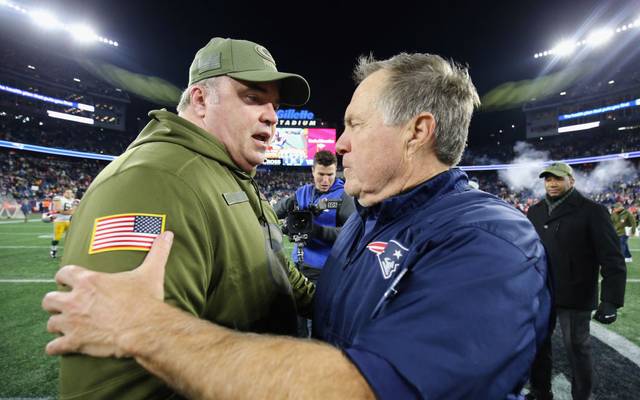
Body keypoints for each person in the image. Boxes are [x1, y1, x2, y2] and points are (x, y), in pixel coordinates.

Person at [44, 52, 552, 399]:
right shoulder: (371, 214)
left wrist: (146, 329)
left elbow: (365, 388)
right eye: (253, 97)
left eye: (354, 124)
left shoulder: (489, 240)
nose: (339, 144)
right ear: (199, 99)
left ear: (417, 132)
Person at [49, 37, 314, 399]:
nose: (271, 115)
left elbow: (278, 272)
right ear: (201, 100)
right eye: (253, 97)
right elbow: (122, 380)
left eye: (275, 105)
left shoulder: (229, 173)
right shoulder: (152, 181)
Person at [526, 162, 626, 400]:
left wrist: (611, 301)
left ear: (571, 180)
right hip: (541, 291)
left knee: (577, 348)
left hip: (576, 294)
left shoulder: (592, 211)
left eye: (558, 179)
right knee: (538, 345)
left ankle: (582, 396)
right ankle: (540, 392)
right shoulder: (535, 211)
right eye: (548, 179)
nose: (552, 183)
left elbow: (612, 257)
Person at [274, 150, 356, 282]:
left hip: (326, 269)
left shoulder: (343, 196)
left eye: (330, 175)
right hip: (299, 265)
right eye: (321, 174)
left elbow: (352, 233)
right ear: (313, 171)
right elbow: (276, 210)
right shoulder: (303, 192)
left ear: (336, 172)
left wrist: (318, 231)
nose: (325, 180)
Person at [50, 189, 76, 258]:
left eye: (70, 193)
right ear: (64, 193)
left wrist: (72, 212)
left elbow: (75, 210)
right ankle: (53, 250)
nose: (69, 194)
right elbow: (58, 209)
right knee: (57, 237)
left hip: (70, 221)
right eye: (67, 192)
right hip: (60, 221)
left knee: (71, 237)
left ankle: (70, 252)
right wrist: (70, 212)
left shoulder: (73, 200)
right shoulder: (59, 198)